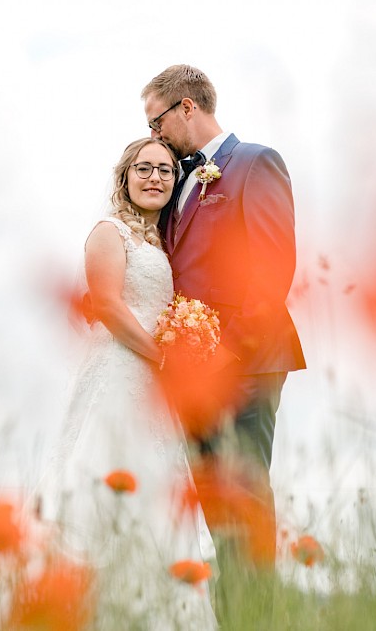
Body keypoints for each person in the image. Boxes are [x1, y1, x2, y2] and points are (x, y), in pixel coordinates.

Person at [141, 64, 306, 621]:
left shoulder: (256, 163)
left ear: (187, 106)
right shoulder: (177, 183)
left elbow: (272, 272)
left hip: (247, 365)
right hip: (195, 381)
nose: (155, 134)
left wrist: (222, 356)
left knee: (245, 509)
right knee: (212, 516)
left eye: (157, 120)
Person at [33, 137, 217, 628]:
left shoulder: (163, 242)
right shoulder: (109, 233)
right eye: (144, 169)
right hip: (119, 372)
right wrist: (163, 356)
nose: (155, 177)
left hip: (155, 389)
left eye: (164, 170)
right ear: (126, 176)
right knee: (103, 477)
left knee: (156, 494)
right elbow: (109, 307)